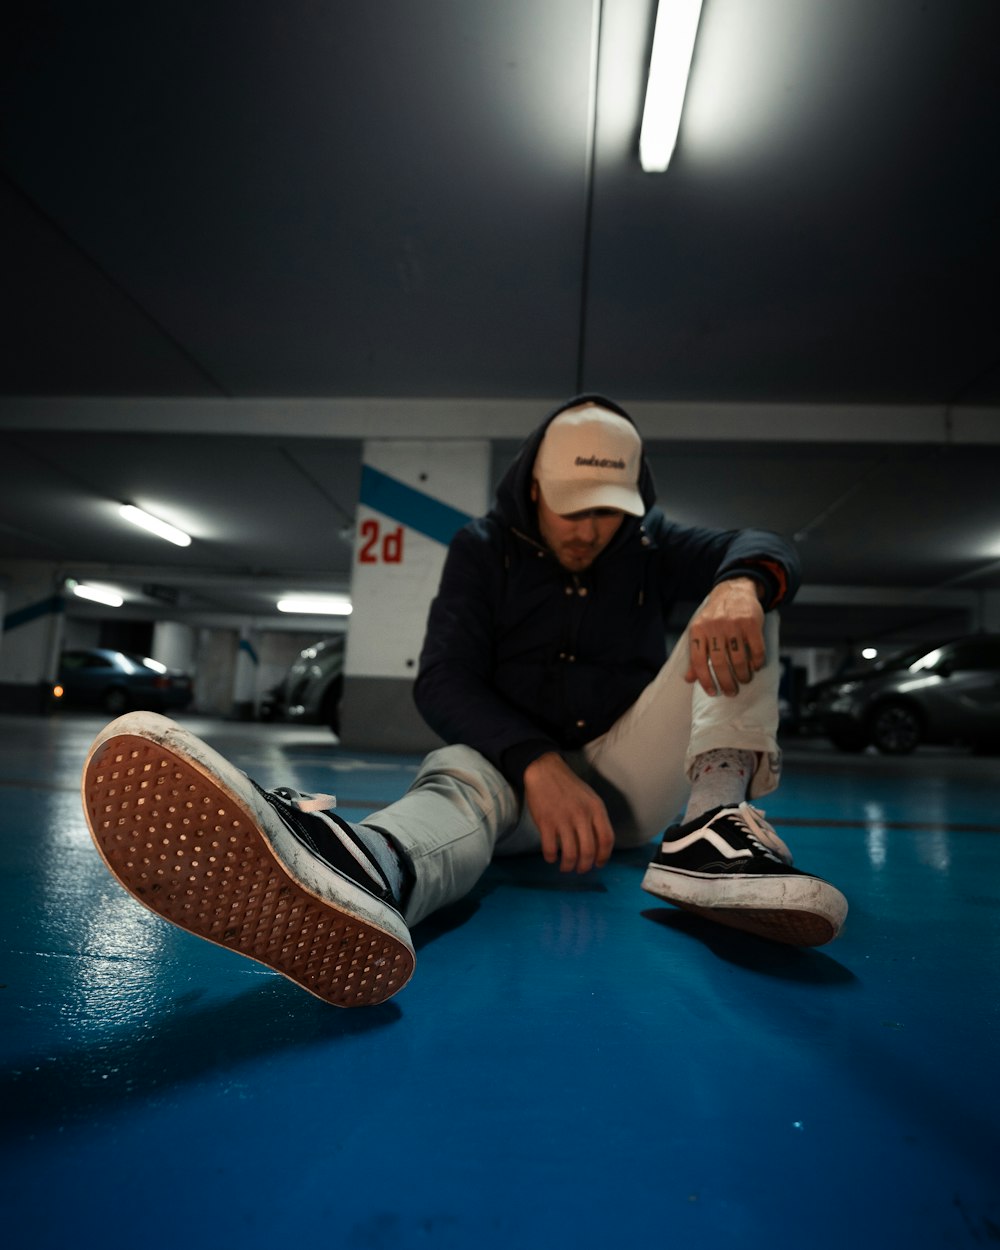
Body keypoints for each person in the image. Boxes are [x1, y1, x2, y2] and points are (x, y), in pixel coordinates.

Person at [81, 396, 847, 1010]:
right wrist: (539, 764)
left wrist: (742, 581)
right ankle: (371, 870)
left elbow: (767, 540)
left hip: (633, 783)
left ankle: (709, 827)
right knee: (458, 773)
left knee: (748, 591)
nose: (589, 530)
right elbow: (441, 679)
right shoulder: (483, 550)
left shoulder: (649, 548)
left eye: (607, 511)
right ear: (534, 486)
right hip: (509, 785)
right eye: (572, 507)